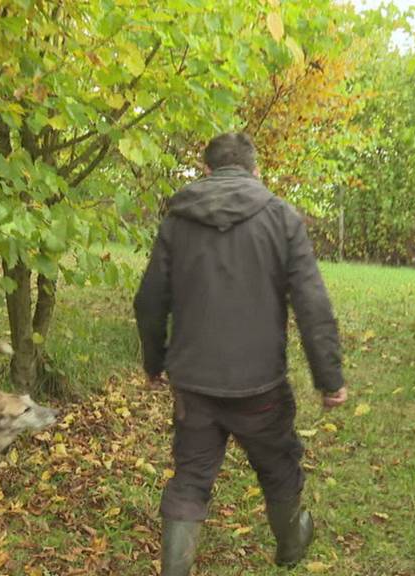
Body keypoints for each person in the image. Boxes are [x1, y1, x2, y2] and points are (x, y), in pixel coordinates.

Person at [134, 133, 348, 575]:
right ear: (256, 171)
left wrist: (155, 363)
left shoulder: (178, 220)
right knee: (278, 467)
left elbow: (149, 300)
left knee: (191, 477)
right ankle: (291, 544)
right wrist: (329, 380)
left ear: (206, 170)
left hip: (193, 384)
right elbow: (312, 303)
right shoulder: (282, 217)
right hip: (261, 385)